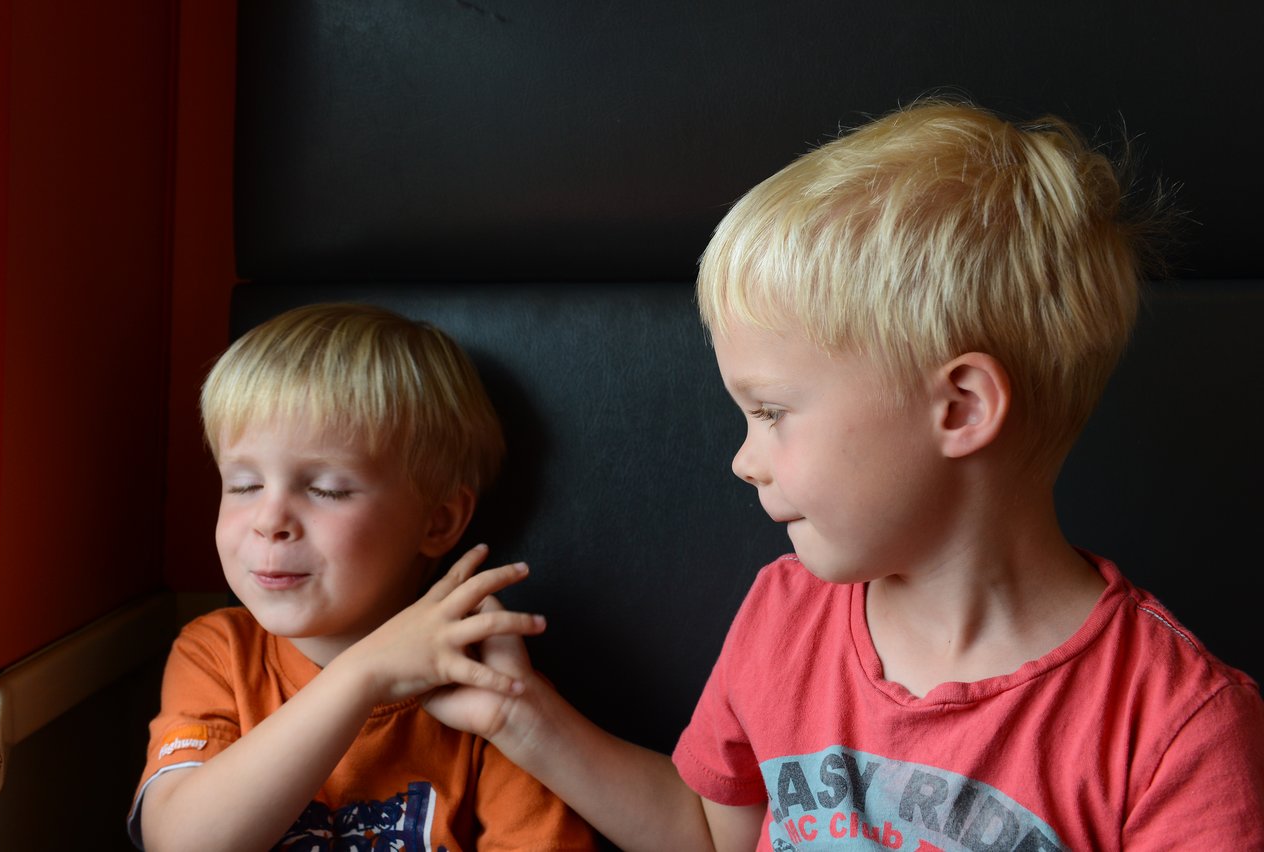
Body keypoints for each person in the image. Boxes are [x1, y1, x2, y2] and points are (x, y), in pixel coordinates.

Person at [420, 101, 1264, 850]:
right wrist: (514, 715)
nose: (743, 460)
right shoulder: (787, 614)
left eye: (774, 414)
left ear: (962, 409)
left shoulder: (1176, 728)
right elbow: (710, 834)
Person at [128, 303, 596, 851]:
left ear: (439, 520)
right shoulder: (217, 653)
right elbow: (181, 843)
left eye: (326, 489)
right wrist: (365, 676)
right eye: (245, 485)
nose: (269, 520)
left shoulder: (487, 684)